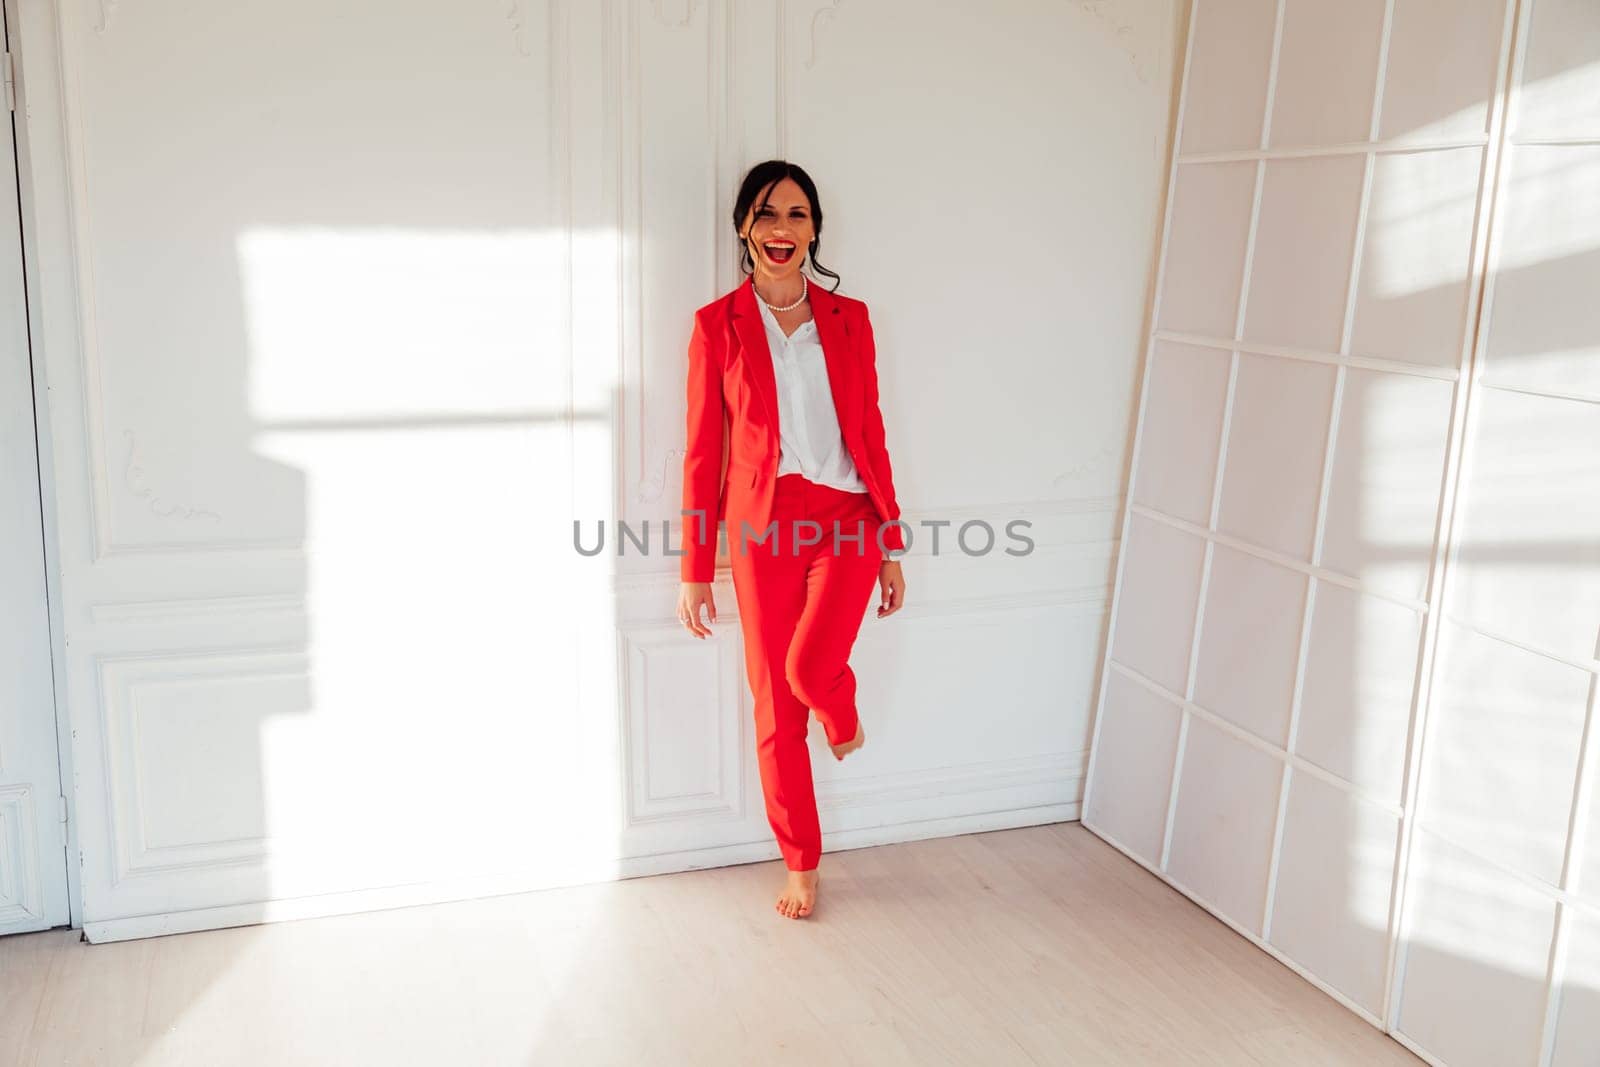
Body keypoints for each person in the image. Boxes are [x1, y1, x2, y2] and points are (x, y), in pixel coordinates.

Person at [676, 160, 907, 920]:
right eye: (769, 214)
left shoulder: (851, 320)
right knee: (775, 706)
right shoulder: (717, 326)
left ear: (815, 230)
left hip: (847, 519)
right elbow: (703, 453)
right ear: (745, 226)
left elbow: (869, 431)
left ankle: (842, 714)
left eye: (799, 215)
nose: (784, 230)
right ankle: (801, 860)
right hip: (761, 528)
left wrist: (893, 541)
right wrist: (694, 568)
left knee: (812, 669)